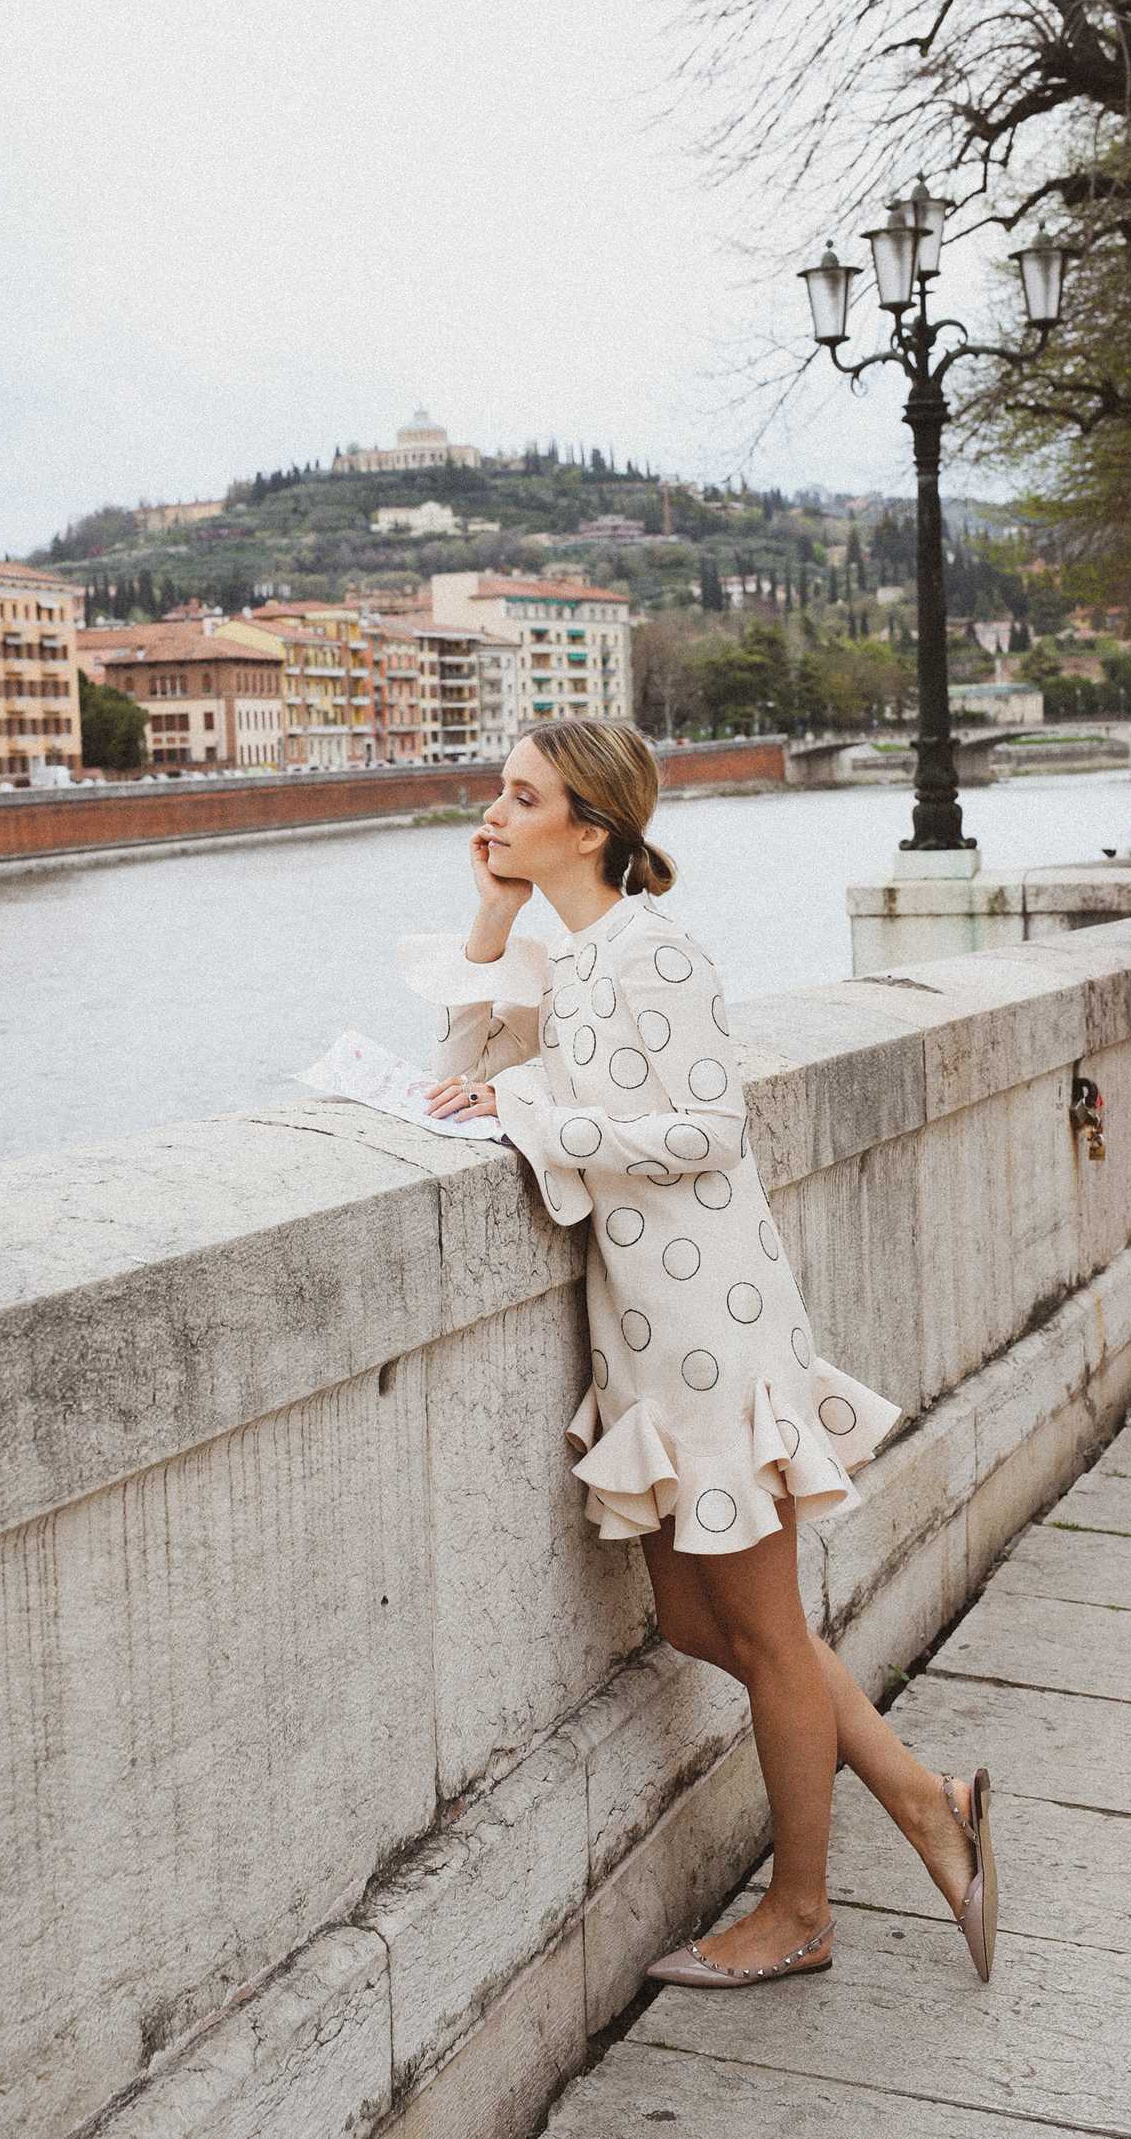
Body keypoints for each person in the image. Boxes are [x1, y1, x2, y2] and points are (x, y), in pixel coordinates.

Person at [398, 721, 996, 1989]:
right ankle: (921, 1794)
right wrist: (490, 926)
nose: (491, 818)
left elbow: (710, 1129)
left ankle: (802, 1912)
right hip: (642, 1337)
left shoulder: (656, 950)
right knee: (689, 1618)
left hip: (715, 1324)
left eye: (520, 800)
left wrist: (533, 1108)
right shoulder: (559, 963)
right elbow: (447, 1082)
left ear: (593, 827)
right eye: (497, 798)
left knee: (770, 1632)